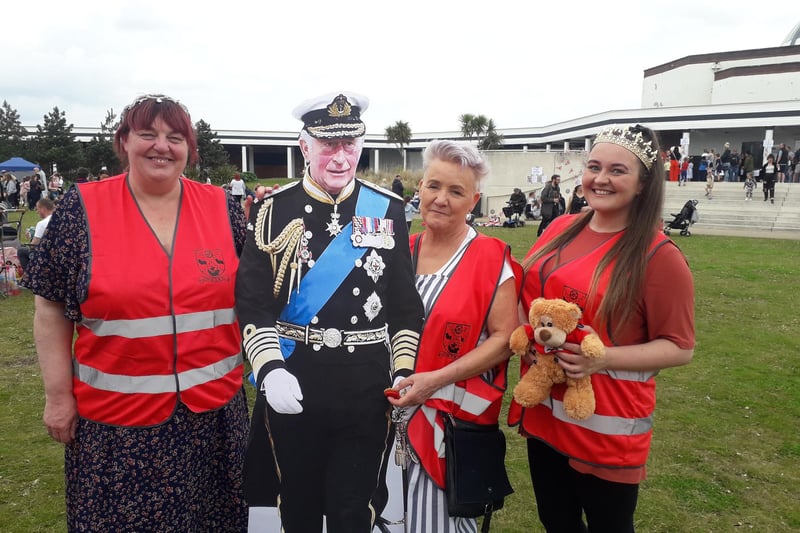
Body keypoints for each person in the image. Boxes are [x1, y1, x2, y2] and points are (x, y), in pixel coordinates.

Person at [23, 94, 249, 531]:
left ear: (189, 149)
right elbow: (49, 304)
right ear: (123, 141)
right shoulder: (81, 209)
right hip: (117, 431)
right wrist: (57, 397)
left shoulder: (222, 208)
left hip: (214, 423)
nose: (161, 146)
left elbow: (254, 298)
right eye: (147, 134)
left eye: (175, 137)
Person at [236, 91, 424, 532]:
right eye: (328, 146)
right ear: (305, 147)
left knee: (353, 511)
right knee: (297, 507)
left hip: (365, 385)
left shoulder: (388, 209)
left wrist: (402, 371)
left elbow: (403, 306)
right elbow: (254, 302)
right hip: (295, 379)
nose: (341, 158)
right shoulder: (271, 210)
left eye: (350, 145)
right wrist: (269, 368)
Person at [508, 124, 695, 532]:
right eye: (594, 167)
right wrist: (525, 334)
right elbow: (529, 294)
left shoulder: (658, 255)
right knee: (556, 522)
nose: (601, 179)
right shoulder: (560, 228)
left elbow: (680, 347)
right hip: (547, 413)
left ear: (644, 183)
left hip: (605, 424)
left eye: (617, 170)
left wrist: (602, 358)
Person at [387, 139, 521, 531]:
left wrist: (435, 381)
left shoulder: (491, 257)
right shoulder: (399, 250)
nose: (441, 199)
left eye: (456, 191)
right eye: (434, 186)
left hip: (447, 428)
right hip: (388, 419)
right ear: (420, 189)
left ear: (473, 200)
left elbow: (503, 341)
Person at [17, 197, 55, 271]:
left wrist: (30, 239)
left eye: (37, 209)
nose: (37, 211)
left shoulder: (41, 224)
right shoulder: (61, 219)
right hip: (59, 253)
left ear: (43, 209)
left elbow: (33, 246)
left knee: (21, 250)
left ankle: (29, 275)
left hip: (46, 256)